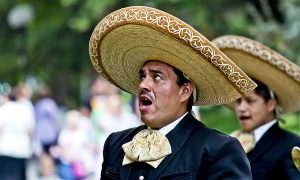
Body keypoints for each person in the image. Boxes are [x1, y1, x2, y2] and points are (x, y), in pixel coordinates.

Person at [89, 6, 257, 179]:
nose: (143, 84)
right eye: (143, 75)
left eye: (157, 77)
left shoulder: (217, 150)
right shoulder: (116, 144)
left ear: (185, 91)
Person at [213, 35, 300, 179]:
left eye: (250, 101)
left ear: (271, 104)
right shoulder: (231, 142)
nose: (241, 108)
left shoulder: (290, 145)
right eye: (238, 102)